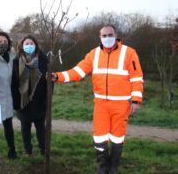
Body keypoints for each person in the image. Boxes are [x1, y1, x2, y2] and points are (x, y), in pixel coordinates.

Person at [51, 25, 144, 174]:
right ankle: (103, 165)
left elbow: (137, 78)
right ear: (100, 38)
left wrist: (136, 100)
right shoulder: (93, 54)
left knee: (117, 137)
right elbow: (78, 71)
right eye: (104, 35)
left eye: (110, 34)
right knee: (99, 136)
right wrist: (58, 76)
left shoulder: (129, 53)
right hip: (101, 104)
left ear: (116, 35)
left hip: (121, 104)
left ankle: (113, 166)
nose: (107, 38)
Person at [11, 35, 48, 156]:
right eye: (27, 44)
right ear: (21, 46)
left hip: (39, 100)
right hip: (23, 101)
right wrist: (16, 102)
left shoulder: (43, 59)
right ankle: (28, 151)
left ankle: (44, 150)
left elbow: (49, 81)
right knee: (25, 128)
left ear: (36, 45)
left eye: (32, 43)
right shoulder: (16, 61)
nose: (29, 46)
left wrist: (47, 100)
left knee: (41, 128)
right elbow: (14, 83)